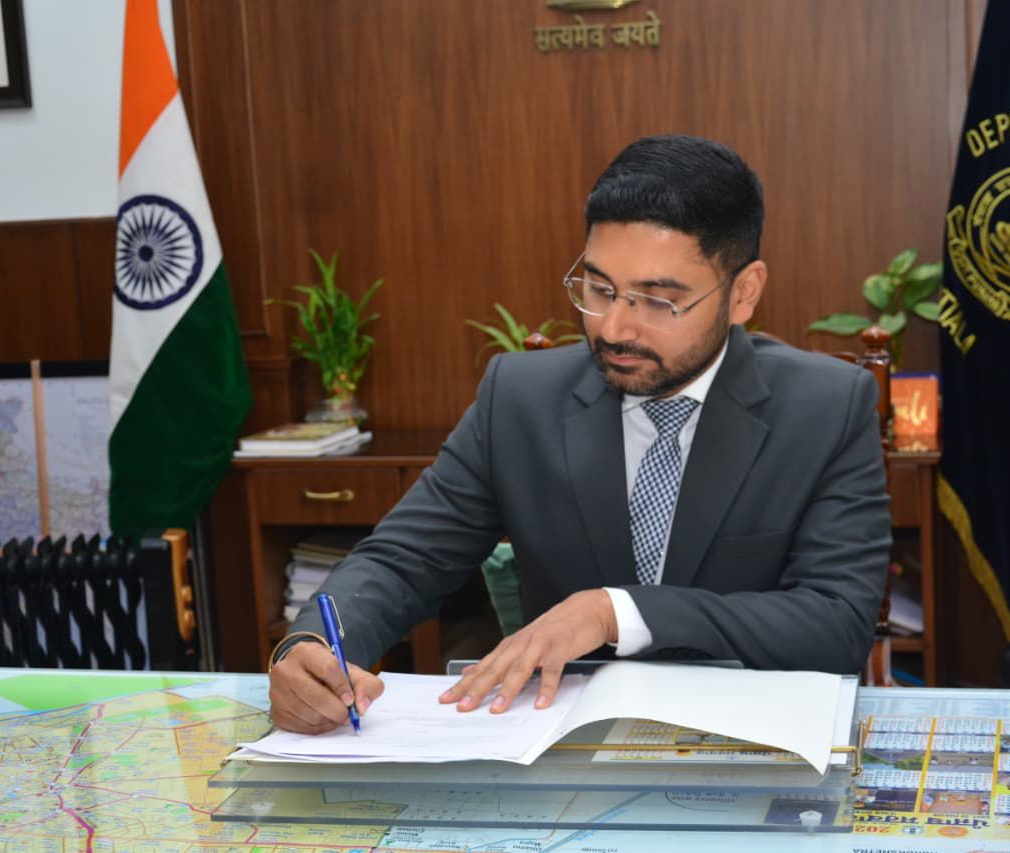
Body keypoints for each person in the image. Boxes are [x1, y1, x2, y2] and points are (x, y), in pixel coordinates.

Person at [268, 134, 892, 734]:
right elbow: (404, 560)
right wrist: (314, 645)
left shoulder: (826, 408)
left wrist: (614, 612)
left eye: (658, 300)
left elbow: (836, 624)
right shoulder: (520, 399)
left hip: (754, 741)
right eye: (599, 288)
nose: (614, 328)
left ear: (743, 293)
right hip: (561, 745)